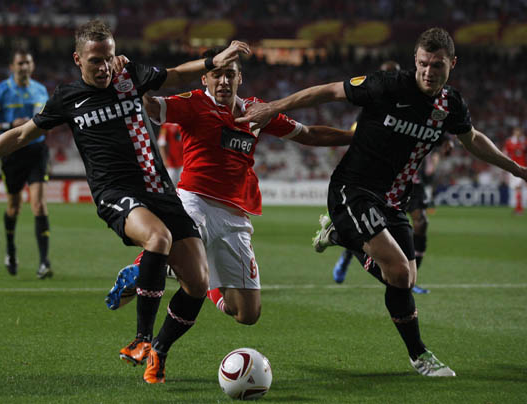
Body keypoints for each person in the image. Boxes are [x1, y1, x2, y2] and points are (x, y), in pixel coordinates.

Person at [0, 19, 250, 384]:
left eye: (108, 57)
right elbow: (21, 134)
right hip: (116, 193)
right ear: (77, 59)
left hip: (160, 189)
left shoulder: (129, 75)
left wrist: (217, 60)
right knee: (158, 238)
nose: (103, 67)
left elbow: (177, 74)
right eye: (94, 61)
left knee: (197, 282)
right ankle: (140, 340)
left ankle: (159, 352)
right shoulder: (67, 98)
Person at [237, 27, 527, 377]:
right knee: (401, 273)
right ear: (414, 61)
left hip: (393, 201)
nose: (428, 72)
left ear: (453, 63)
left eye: (437, 66)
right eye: (423, 64)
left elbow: (472, 140)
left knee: (404, 277)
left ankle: (344, 237)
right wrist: (273, 107)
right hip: (352, 189)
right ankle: (420, 356)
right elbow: (328, 91)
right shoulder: (387, 85)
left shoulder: (450, 104)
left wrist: (515, 168)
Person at [118, 47, 353, 326]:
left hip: (235, 216)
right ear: (204, 79)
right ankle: (146, 265)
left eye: (230, 75)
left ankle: (195, 278)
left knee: (246, 313)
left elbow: (310, 134)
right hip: (195, 202)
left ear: (240, 78)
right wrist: (136, 78)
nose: (224, 81)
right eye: (216, 75)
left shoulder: (257, 112)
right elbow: (153, 107)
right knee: (185, 244)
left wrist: (356, 137)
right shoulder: (193, 103)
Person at [330, 60, 434, 294]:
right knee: (372, 231)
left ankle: (410, 277)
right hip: (376, 184)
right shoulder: (373, 112)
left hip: (408, 182)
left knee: (421, 222)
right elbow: (354, 141)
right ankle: (348, 248)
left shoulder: (420, 103)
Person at [0, 47, 52, 278]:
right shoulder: (0, 91)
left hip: (37, 150)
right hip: (11, 153)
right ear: (12, 67)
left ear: (33, 65)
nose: (24, 67)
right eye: (20, 63)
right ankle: (10, 251)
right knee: (14, 207)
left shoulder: (41, 90)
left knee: (38, 204)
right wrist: (8, 126)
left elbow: (47, 120)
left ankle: (44, 263)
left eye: (28, 62)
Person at [503, 127, 526, 215]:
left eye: (518, 132)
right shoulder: (510, 142)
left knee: (518, 188)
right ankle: (518, 208)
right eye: (516, 131)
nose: (517, 133)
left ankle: (519, 209)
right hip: (513, 168)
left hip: (522, 168)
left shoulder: (523, 142)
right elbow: (505, 153)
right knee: (516, 189)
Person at [157, 122, 184, 186]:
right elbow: (161, 144)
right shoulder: (166, 125)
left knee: (182, 187)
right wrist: (164, 160)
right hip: (171, 163)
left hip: (184, 162)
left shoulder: (184, 123)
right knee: (170, 186)